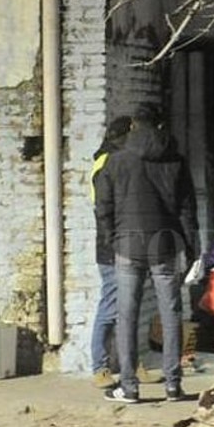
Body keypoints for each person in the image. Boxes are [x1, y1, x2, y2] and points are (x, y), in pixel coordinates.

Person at [94, 103, 198, 403]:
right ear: (161, 125)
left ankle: (129, 387)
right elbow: (187, 210)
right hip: (165, 246)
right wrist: (191, 248)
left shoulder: (116, 161)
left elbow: (103, 207)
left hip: (127, 246)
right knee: (171, 313)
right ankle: (173, 385)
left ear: (133, 126)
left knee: (126, 315)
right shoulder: (176, 160)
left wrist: (112, 239)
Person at [89, 116, 131, 389]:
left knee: (129, 307)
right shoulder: (106, 163)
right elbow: (104, 209)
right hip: (111, 247)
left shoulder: (115, 159)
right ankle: (100, 367)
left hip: (123, 243)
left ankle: (132, 363)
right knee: (110, 306)